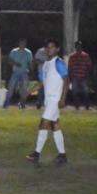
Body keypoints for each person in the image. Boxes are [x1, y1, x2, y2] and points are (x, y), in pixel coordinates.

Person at [26, 39, 70, 167]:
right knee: (55, 125)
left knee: (43, 123)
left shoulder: (58, 63)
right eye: (47, 47)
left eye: (52, 47)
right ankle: (62, 155)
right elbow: (42, 82)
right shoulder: (46, 64)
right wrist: (31, 91)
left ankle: (36, 153)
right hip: (49, 100)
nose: (49, 49)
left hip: (55, 99)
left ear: (57, 49)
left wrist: (62, 99)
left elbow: (66, 81)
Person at [4, 39, 33, 109]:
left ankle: (22, 103)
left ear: (25, 44)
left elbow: (30, 63)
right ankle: (6, 103)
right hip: (15, 72)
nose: (22, 44)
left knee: (24, 88)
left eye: (23, 43)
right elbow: (9, 61)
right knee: (11, 87)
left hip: (24, 72)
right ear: (19, 44)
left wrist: (32, 72)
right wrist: (15, 63)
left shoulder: (28, 52)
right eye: (21, 43)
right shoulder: (14, 51)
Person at [67, 41, 93, 110]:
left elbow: (89, 66)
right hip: (75, 76)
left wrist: (88, 75)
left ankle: (87, 105)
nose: (78, 47)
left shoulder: (86, 56)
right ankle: (77, 105)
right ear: (75, 47)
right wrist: (70, 76)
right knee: (74, 91)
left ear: (81, 46)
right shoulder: (72, 56)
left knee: (85, 91)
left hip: (83, 76)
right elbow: (70, 67)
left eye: (79, 46)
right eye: (77, 46)